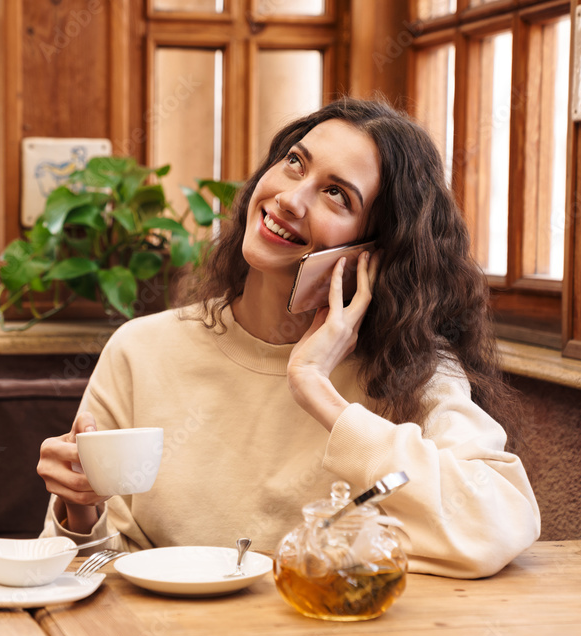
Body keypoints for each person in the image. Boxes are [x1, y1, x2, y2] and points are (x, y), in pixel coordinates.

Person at [37, 96, 540, 578]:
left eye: (336, 194)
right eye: (295, 163)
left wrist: (315, 388)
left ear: (377, 250)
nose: (290, 198)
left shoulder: (413, 369)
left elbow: (494, 524)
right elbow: (90, 568)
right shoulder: (141, 350)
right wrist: (78, 511)